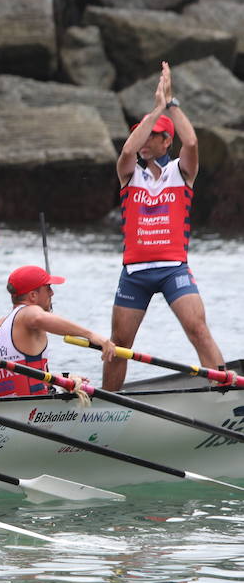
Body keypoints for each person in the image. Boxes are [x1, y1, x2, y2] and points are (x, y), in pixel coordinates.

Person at [104, 61, 224, 391]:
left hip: (173, 270)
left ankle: (225, 393)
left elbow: (193, 143)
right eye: (143, 132)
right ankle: (106, 406)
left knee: (198, 330)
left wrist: (170, 105)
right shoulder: (129, 173)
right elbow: (128, 148)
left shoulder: (181, 172)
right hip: (135, 273)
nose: (144, 140)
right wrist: (155, 112)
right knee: (118, 345)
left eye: (153, 135)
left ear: (166, 142)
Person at [0, 266, 113, 397]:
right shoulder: (28, 312)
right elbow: (38, 317)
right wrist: (91, 335)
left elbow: (21, 376)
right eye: (48, 289)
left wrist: (61, 380)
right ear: (33, 296)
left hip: (9, 408)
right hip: (34, 411)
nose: (52, 293)